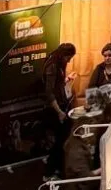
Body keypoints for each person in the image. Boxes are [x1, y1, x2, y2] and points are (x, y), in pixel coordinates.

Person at [42, 43, 78, 180]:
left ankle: (57, 168)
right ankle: (49, 171)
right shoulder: (52, 66)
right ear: (63, 55)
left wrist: (67, 79)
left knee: (62, 140)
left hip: (61, 105)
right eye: (68, 58)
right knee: (60, 141)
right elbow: (49, 93)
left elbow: (57, 84)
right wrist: (59, 112)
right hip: (54, 108)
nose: (68, 61)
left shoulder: (57, 63)